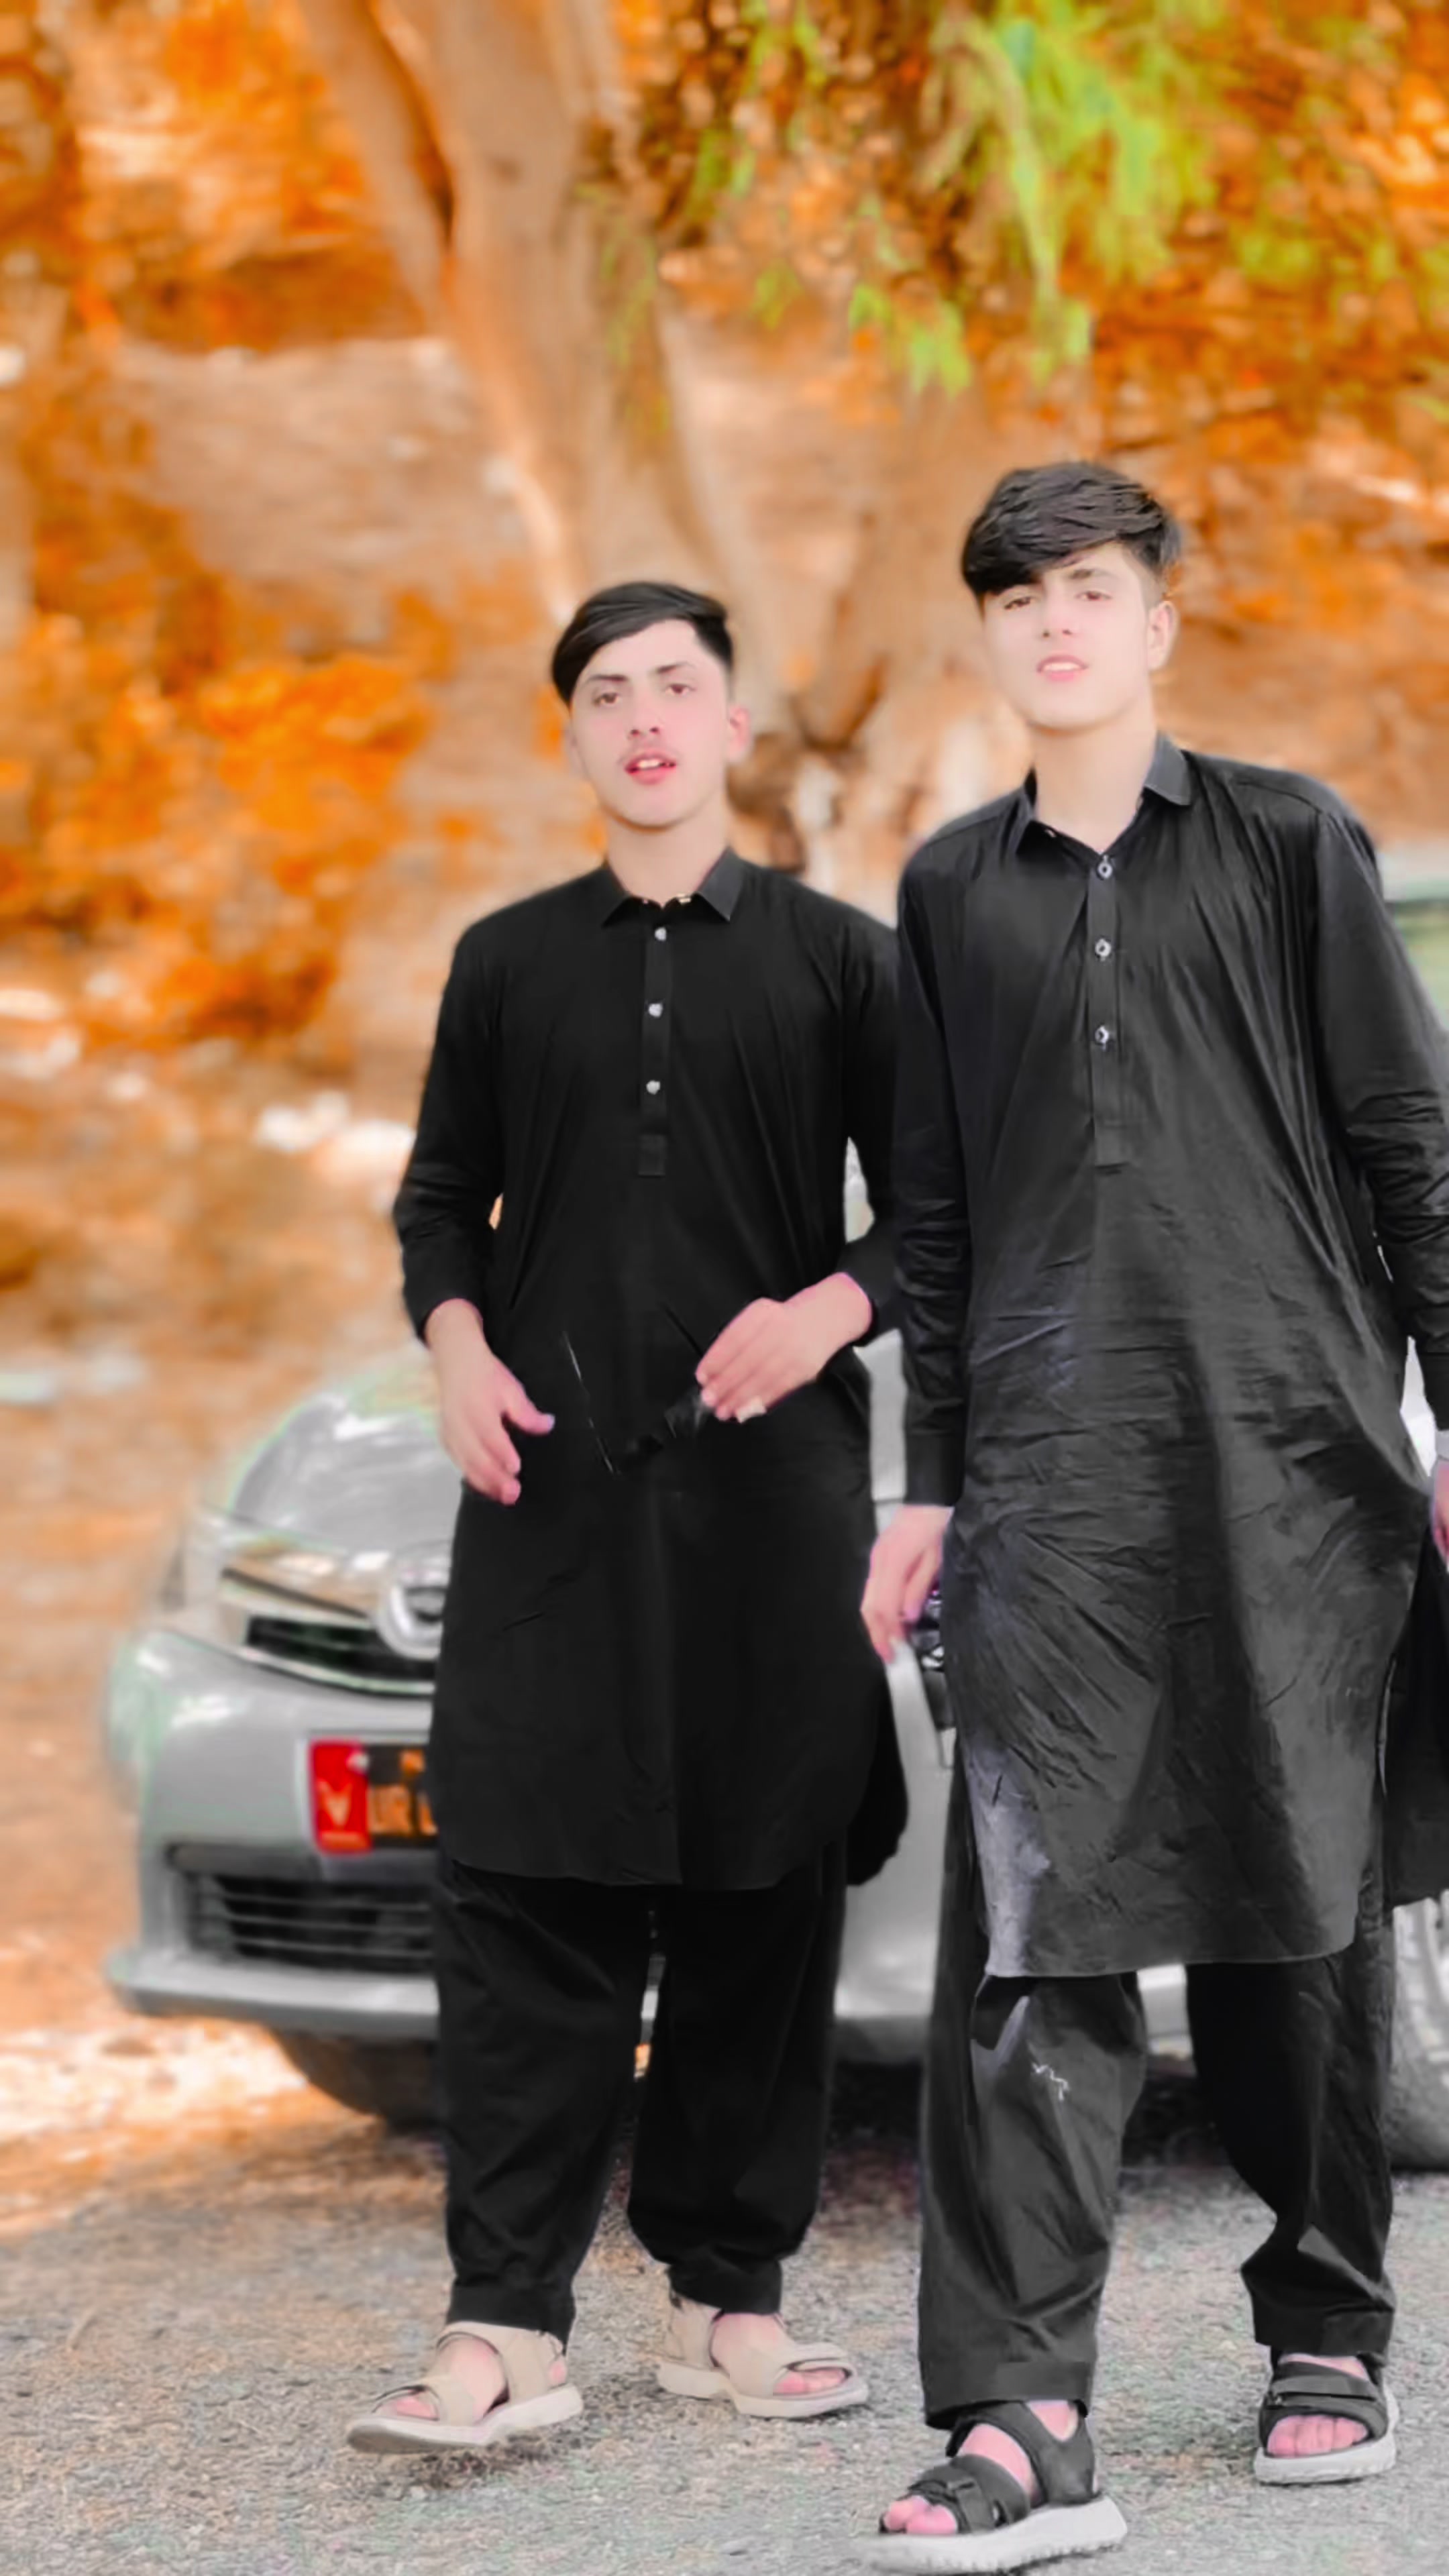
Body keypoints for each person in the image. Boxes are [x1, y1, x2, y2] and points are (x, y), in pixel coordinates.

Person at [857, 461, 1449, 2571]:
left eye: (1091, 589)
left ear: (1157, 621)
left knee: (1298, 1918)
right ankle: (1022, 2416)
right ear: (990, 633)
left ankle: (1328, 2330)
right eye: (1020, 597)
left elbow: (1409, 1142)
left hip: (1290, 1464)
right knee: (1037, 1928)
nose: (1057, 625)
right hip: (1050, 1484)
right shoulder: (951, 888)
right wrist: (930, 1483)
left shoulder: (1290, 842)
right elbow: (934, 1217)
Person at [348, 578, 902, 2457]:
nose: (645, 718)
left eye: (678, 686)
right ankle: (505, 2323)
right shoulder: (507, 962)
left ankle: (724, 2301)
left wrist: (829, 1307)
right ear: (575, 735)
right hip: (550, 1502)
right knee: (526, 1888)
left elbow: (938, 1215)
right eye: (607, 693)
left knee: (761, 1890)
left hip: (773, 1513)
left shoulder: (841, 960)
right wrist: (452, 1347)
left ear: (734, 726)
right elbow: (443, 1200)